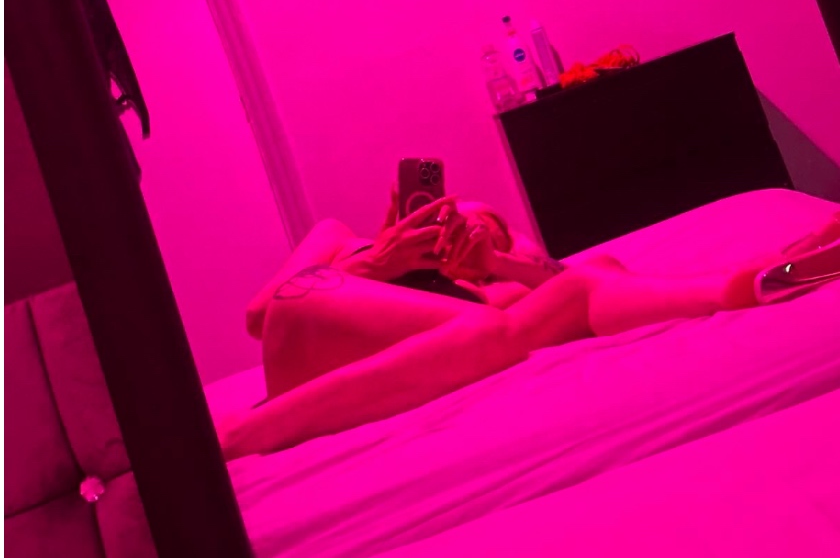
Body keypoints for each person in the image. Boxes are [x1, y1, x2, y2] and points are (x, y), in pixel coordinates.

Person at [219, 193, 840, 461]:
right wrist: (375, 262)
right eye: (452, 215)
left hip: (429, 341)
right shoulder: (339, 239)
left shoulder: (492, 286)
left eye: (486, 221)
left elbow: (578, 283)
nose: (465, 223)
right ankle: (242, 434)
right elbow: (258, 315)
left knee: (582, 281)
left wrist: (496, 260)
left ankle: (757, 279)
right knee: (496, 328)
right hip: (310, 313)